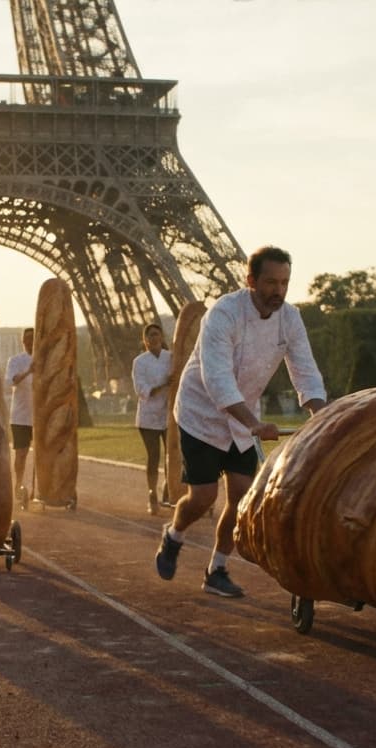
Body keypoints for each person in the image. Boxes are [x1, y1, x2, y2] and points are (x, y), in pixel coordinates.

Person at [154, 246, 327, 597]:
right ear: (250, 281)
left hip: (243, 416)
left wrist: (321, 416)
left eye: (284, 283)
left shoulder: (290, 318)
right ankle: (173, 535)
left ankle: (216, 569)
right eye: (270, 282)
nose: (278, 290)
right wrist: (253, 424)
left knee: (242, 496)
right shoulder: (223, 313)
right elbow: (217, 379)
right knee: (202, 498)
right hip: (200, 412)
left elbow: (304, 370)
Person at [131, 323, 176, 515]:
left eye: (157, 334)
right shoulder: (139, 362)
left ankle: (168, 489)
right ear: (145, 340)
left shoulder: (172, 358)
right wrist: (164, 385)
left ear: (162, 337)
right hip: (148, 416)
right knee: (154, 456)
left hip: (167, 415)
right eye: (150, 336)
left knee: (171, 457)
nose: (154, 339)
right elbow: (141, 389)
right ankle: (152, 493)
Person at [5, 328, 35, 505]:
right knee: (21, 452)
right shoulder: (15, 361)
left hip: (39, 415)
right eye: (26, 340)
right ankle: (19, 484)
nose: (29, 343)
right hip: (20, 415)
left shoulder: (44, 359)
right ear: (22, 341)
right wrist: (29, 371)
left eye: (32, 339)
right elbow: (10, 381)